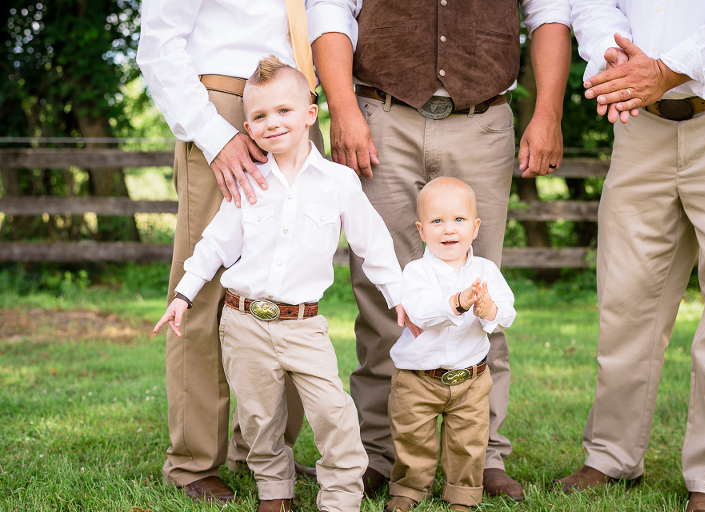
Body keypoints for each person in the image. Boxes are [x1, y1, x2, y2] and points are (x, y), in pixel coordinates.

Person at [311, 0, 571, 500]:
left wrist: (548, 111)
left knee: (479, 286)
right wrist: (342, 109)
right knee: (382, 295)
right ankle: (381, 452)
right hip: (381, 116)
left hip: (483, 120)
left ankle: (483, 456)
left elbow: (550, 12)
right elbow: (331, 8)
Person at [154, 57, 407, 512]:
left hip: (303, 326)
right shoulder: (248, 181)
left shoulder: (339, 182)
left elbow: (375, 245)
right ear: (248, 126)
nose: (273, 123)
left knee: (334, 413)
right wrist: (184, 294)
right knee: (258, 418)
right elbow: (214, 244)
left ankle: (341, 497)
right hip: (243, 322)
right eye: (260, 116)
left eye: (284, 111)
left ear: (311, 114)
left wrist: (399, 298)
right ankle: (274, 491)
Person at [136, 0, 358, 504]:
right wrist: (215, 136)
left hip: (299, 102)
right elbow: (159, 41)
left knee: (288, 287)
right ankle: (193, 461)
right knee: (205, 289)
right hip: (227, 104)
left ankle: (263, 450)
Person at [557, 3, 705, 512]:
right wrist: (617, 63)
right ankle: (611, 454)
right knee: (626, 297)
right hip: (640, 122)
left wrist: (666, 69)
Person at [383, 178, 517, 512]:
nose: (448, 230)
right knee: (413, 438)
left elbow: (507, 312)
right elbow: (421, 312)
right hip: (418, 378)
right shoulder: (417, 272)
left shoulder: (486, 270)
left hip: (470, 379)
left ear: (475, 227)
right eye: (437, 221)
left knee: (468, 442)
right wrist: (458, 302)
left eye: (458, 220)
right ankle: (410, 489)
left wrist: (489, 310)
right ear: (421, 229)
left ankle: (462, 494)